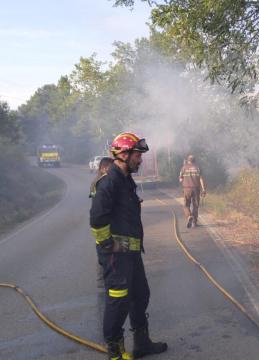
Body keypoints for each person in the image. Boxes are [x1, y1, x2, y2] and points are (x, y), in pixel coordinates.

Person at [90, 132, 168, 360]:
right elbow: (97, 219)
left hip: (131, 254)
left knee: (140, 295)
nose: (140, 160)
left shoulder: (125, 180)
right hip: (116, 257)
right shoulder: (110, 182)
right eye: (137, 155)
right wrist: (107, 244)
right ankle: (115, 353)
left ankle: (141, 344)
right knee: (118, 301)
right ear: (123, 154)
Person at [178, 154, 206, 228]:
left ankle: (189, 216)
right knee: (195, 206)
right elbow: (201, 179)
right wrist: (203, 189)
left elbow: (180, 179)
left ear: (188, 160)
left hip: (187, 189)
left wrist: (184, 180)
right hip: (196, 189)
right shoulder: (198, 168)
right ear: (194, 160)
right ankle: (194, 222)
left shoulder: (183, 168)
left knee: (186, 205)